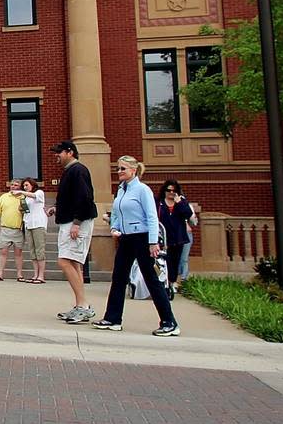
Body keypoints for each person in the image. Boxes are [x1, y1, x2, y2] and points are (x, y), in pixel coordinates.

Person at [92, 156, 181, 337]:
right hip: (126, 238)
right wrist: (115, 227)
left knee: (152, 280)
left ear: (133, 170)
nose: (119, 172)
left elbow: (152, 217)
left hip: (142, 238)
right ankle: (113, 318)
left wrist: (153, 242)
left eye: (123, 169)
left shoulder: (142, 190)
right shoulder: (121, 190)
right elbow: (116, 212)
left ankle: (169, 322)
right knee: (118, 277)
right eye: (118, 169)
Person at [47, 140, 98, 324]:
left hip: (76, 223)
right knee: (74, 264)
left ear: (70, 152)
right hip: (69, 221)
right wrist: (56, 207)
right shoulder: (71, 171)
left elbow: (85, 198)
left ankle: (83, 306)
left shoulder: (79, 170)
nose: (56, 156)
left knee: (64, 261)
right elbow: (71, 197)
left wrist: (77, 222)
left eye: (59, 152)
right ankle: (80, 305)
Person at [157, 179, 194, 299]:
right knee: (163, 262)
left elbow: (188, 214)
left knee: (175, 261)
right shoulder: (159, 203)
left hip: (178, 238)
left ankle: (172, 282)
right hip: (163, 238)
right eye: (169, 190)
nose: (171, 193)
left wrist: (180, 203)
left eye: (174, 191)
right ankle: (163, 283)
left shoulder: (181, 202)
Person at [0, 179, 26, 282]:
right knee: (3, 251)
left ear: (20, 187)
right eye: (12, 185)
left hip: (18, 229)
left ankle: (19, 274)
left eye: (16, 185)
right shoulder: (4, 197)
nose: (13, 187)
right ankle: (0, 274)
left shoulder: (23, 197)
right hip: (5, 229)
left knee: (18, 253)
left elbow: (27, 212)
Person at [19, 178, 47, 283]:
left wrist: (21, 192)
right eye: (24, 186)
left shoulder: (39, 192)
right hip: (28, 224)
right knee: (32, 251)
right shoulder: (26, 197)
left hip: (38, 224)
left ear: (32, 185)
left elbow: (35, 196)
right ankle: (35, 274)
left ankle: (41, 276)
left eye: (27, 185)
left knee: (40, 250)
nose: (25, 187)